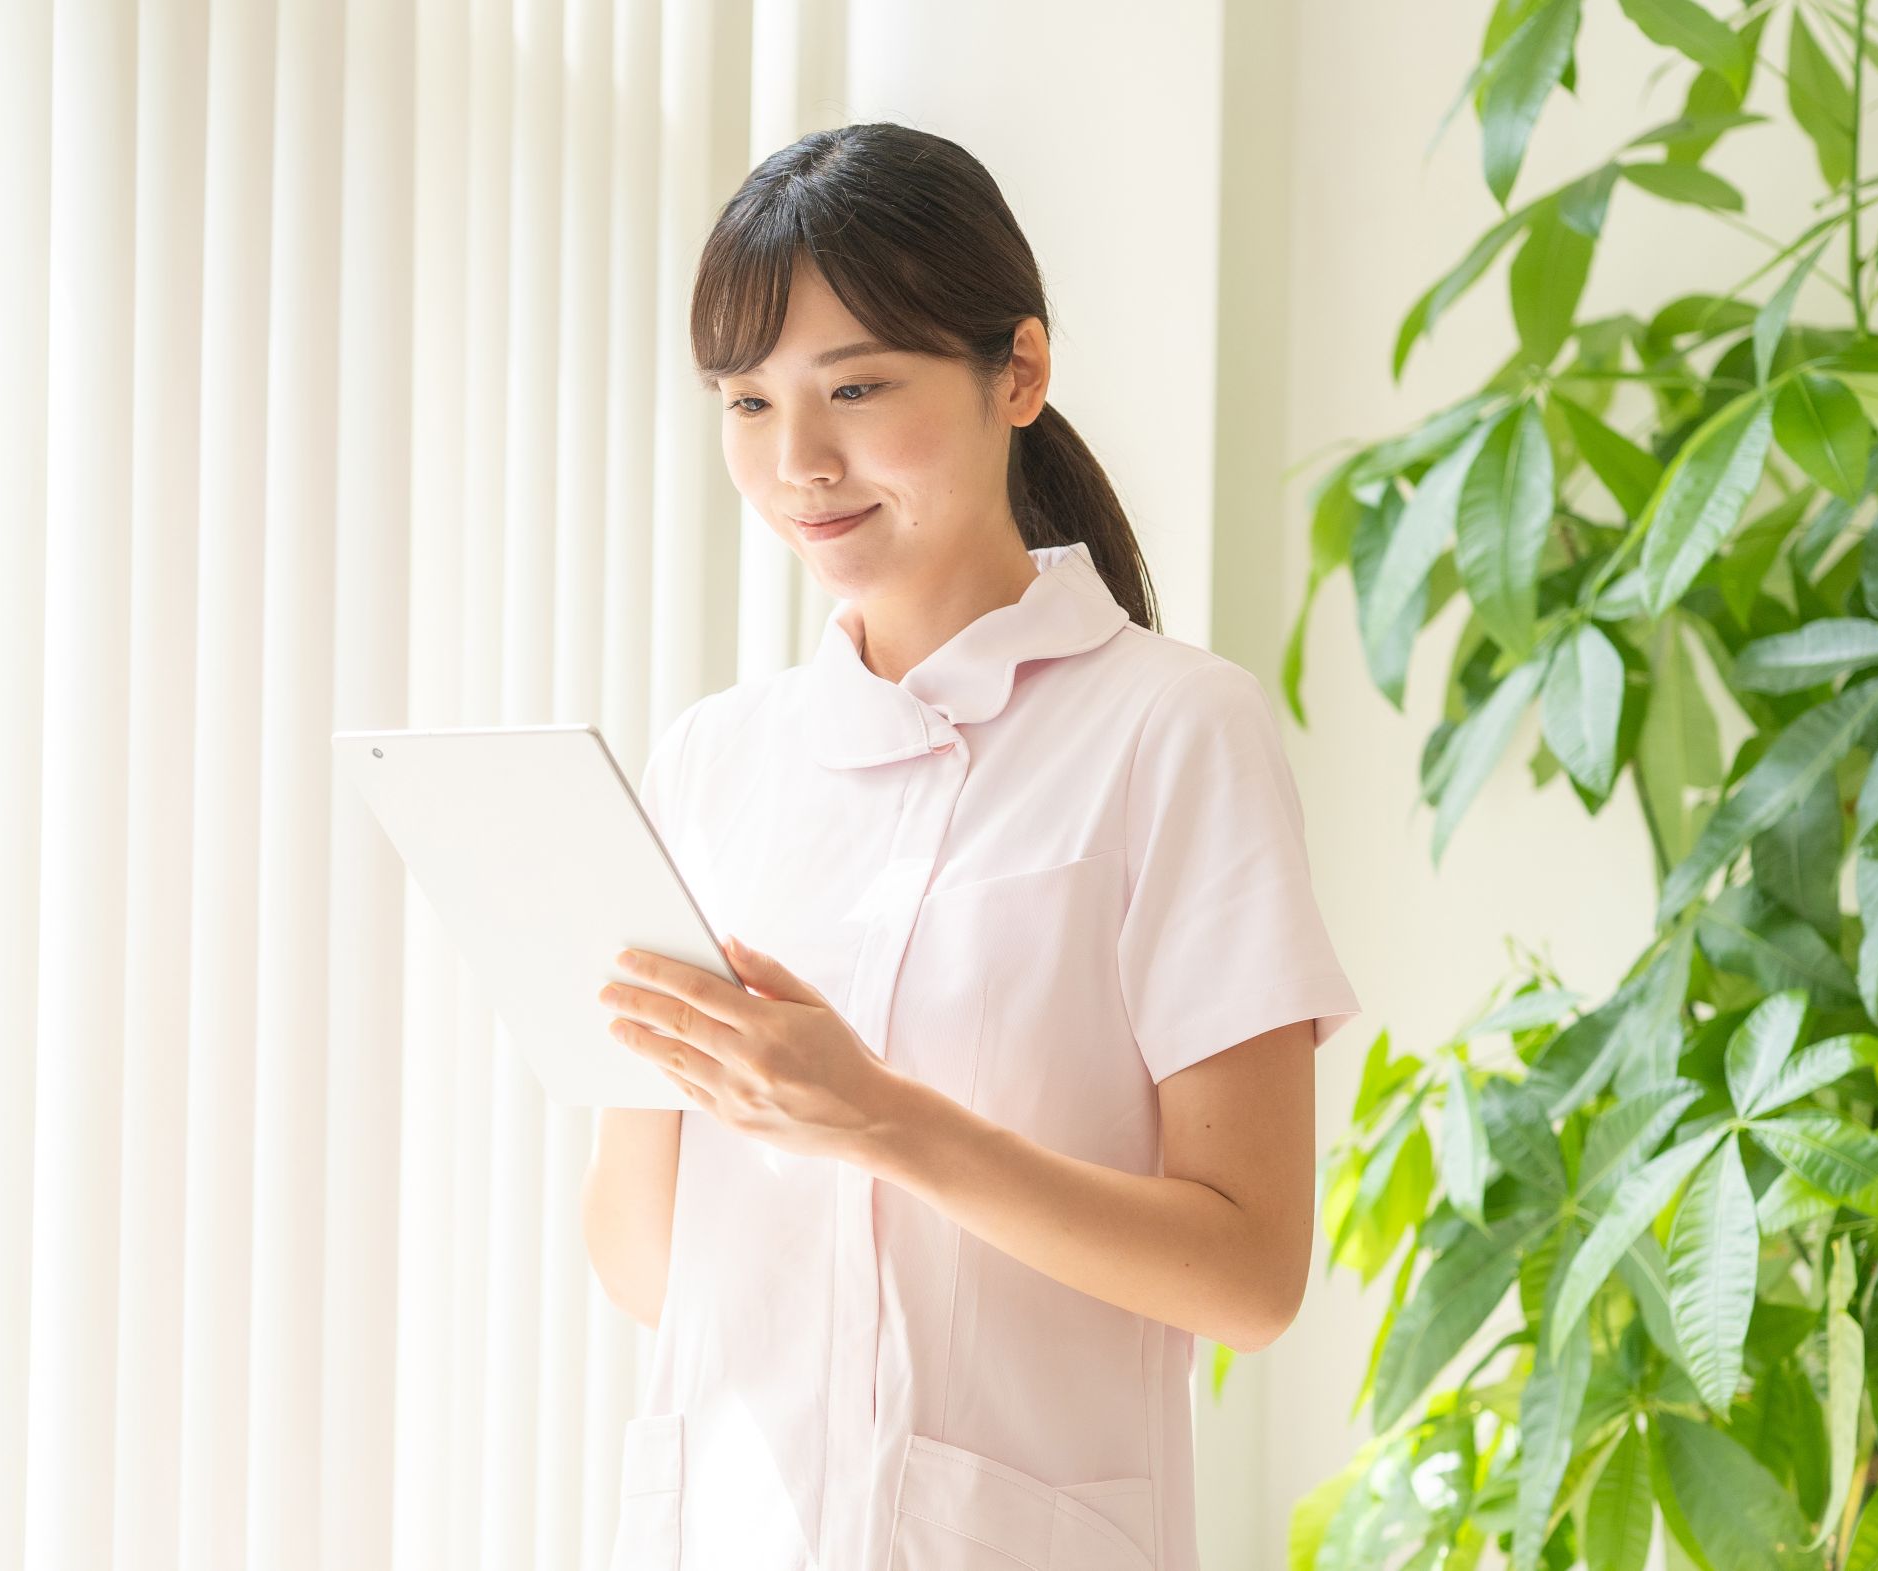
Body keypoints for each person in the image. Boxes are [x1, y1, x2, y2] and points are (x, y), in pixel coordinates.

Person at [581, 122, 1362, 1571]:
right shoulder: (711, 762)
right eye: (745, 404)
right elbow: (644, 1261)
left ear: (1019, 371)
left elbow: (1249, 1278)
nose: (795, 462)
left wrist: (880, 1120)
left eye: (857, 386)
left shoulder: (1172, 731)